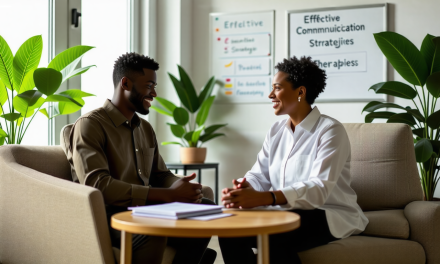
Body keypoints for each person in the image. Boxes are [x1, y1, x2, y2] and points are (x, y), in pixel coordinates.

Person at [66, 52, 216, 264]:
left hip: (146, 210)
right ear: (125, 83)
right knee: (153, 227)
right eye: (149, 86)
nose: (154, 93)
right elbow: (98, 185)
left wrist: (181, 186)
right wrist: (167, 196)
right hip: (111, 217)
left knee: (206, 208)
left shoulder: (144, 128)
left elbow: (160, 174)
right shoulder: (90, 124)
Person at [219, 56, 369, 264]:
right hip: (283, 211)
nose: (271, 95)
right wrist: (245, 187)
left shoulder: (330, 131)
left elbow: (318, 189)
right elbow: (259, 174)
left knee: (275, 235)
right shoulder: (276, 131)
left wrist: (266, 198)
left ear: (300, 92)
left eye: (277, 88)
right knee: (229, 231)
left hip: (327, 214)